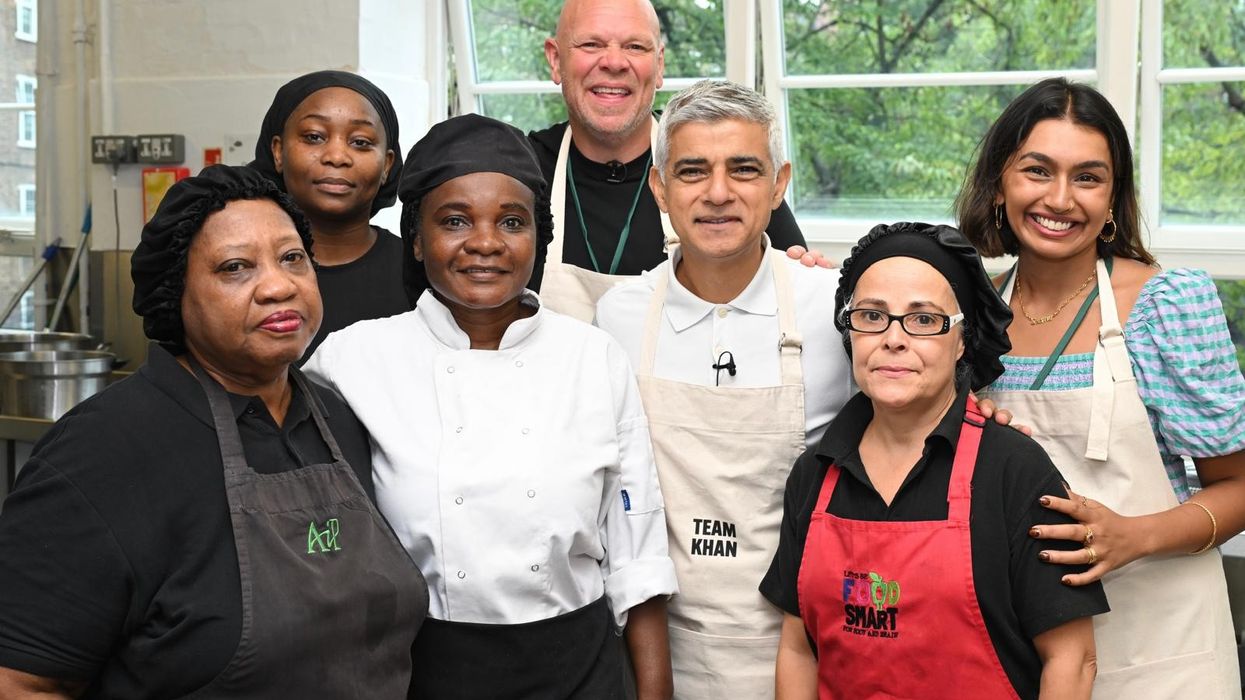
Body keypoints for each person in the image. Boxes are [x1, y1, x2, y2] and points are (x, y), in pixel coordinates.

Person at [0, 165, 428, 699]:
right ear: (175, 293)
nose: (278, 285)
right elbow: (21, 682)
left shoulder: (340, 420)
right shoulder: (101, 454)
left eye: (293, 258)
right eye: (235, 267)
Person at [303, 114, 678, 699]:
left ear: (538, 239)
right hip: (422, 671)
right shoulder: (350, 362)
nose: (486, 243)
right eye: (455, 221)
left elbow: (638, 554)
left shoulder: (593, 358)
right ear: (419, 238)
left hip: (577, 668)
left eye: (512, 222)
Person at [956, 77, 1245, 697]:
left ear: (1114, 199)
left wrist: (1132, 536)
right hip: (1021, 658)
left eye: (1087, 177)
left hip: (1162, 653)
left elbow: (1240, 487)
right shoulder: (971, 311)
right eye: (1037, 170)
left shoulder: (1164, 305)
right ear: (1001, 182)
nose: (1059, 199)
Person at [763, 222, 1108, 699]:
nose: (893, 338)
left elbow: (1072, 659)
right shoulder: (815, 472)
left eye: (924, 320)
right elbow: (799, 650)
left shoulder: (1013, 469)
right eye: (871, 315)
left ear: (963, 340)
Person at [593, 79, 850, 697]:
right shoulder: (618, 318)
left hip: (805, 645)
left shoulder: (835, 308)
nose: (717, 193)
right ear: (659, 188)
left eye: (743, 169)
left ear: (779, 183)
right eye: (691, 171)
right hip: (654, 648)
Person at [531, 0, 813, 321]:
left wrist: (807, 275)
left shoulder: (713, 160)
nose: (613, 62)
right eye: (591, 44)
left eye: (635, 46)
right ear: (555, 59)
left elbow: (789, 281)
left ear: (660, 64)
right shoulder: (523, 171)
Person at [250, 70, 407, 359]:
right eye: (313, 137)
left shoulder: (419, 274)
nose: (336, 156)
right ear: (278, 152)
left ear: (387, 165)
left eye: (360, 142)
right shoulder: (242, 272)